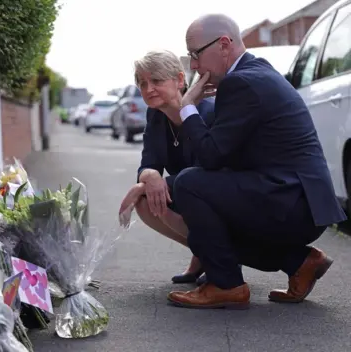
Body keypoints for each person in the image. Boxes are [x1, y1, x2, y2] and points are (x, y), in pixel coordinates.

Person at [164, 14, 347, 310]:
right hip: (296, 200)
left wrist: (187, 108)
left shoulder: (243, 82)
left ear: (224, 44)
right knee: (180, 194)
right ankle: (300, 262)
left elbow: (210, 157)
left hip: (292, 202)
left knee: (188, 186)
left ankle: (226, 285)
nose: (194, 65)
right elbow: (222, 154)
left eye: (195, 54)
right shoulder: (252, 74)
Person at [118, 50, 217, 285]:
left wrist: (140, 186)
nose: (148, 88)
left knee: (150, 194)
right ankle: (204, 253)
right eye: (143, 83)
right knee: (145, 203)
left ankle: (219, 255)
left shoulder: (209, 113)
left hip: (220, 199)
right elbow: (148, 162)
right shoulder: (156, 116)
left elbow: (207, 173)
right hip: (189, 196)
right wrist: (149, 176)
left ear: (180, 80)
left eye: (157, 80)